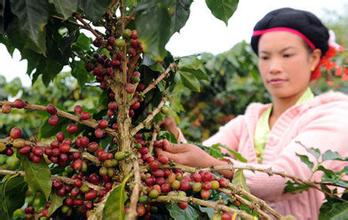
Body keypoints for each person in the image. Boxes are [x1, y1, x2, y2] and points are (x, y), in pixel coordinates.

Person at [156, 7, 348, 220]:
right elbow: (197, 158)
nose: (274, 67)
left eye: (287, 55)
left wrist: (211, 164)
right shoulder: (247, 122)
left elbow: (286, 179)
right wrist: (171, 133)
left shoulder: (336, 113)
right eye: (265, 57)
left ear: (313, 59)